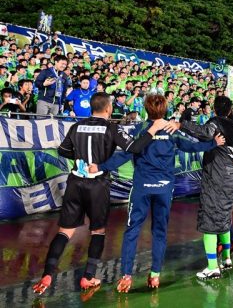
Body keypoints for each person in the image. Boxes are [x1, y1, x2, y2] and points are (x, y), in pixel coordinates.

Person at [32, 92, 170, 295]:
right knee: (98, 231)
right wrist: (153, 130)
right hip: (97, 184)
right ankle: (88, 277)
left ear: (91, 108)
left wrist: (79, 157)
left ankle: (48, 274)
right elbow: (135, 147)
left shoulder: (77, 125)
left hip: (75, 183)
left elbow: (62, 150)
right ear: (108, 109)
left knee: (65, 231)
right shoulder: (111, 127)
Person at [89, 95, 225, 292]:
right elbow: (193, 147)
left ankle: (126, 276)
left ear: (145, 108)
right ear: (165, 108)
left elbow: (126, 154)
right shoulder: (171, 130)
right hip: (164, 188)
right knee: (159, 231)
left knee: (132, 230)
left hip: (142, 187)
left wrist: (100, 167)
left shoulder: (141, 130)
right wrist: (214, 143)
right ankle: (155, 275)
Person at [170, 96, 233, 280]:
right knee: (224, 216)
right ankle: (227, 258)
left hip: (217, 179)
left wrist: (182, 124)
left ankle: (213, 266)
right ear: (230, 110)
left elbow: (204, 133)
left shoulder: (216, 124)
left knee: (210, 222)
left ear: (214, 109)